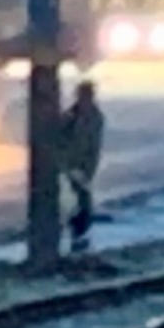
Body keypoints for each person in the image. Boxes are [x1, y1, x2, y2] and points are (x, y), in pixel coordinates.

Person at [59, 80, 106, 251]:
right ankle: (75, 231)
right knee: (73, 199)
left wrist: (87, 169)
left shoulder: (93, 117)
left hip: (81, 166)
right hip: (67, 164)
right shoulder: (73, 114)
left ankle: (80, 232)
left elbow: (93, 146)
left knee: (81, 200)